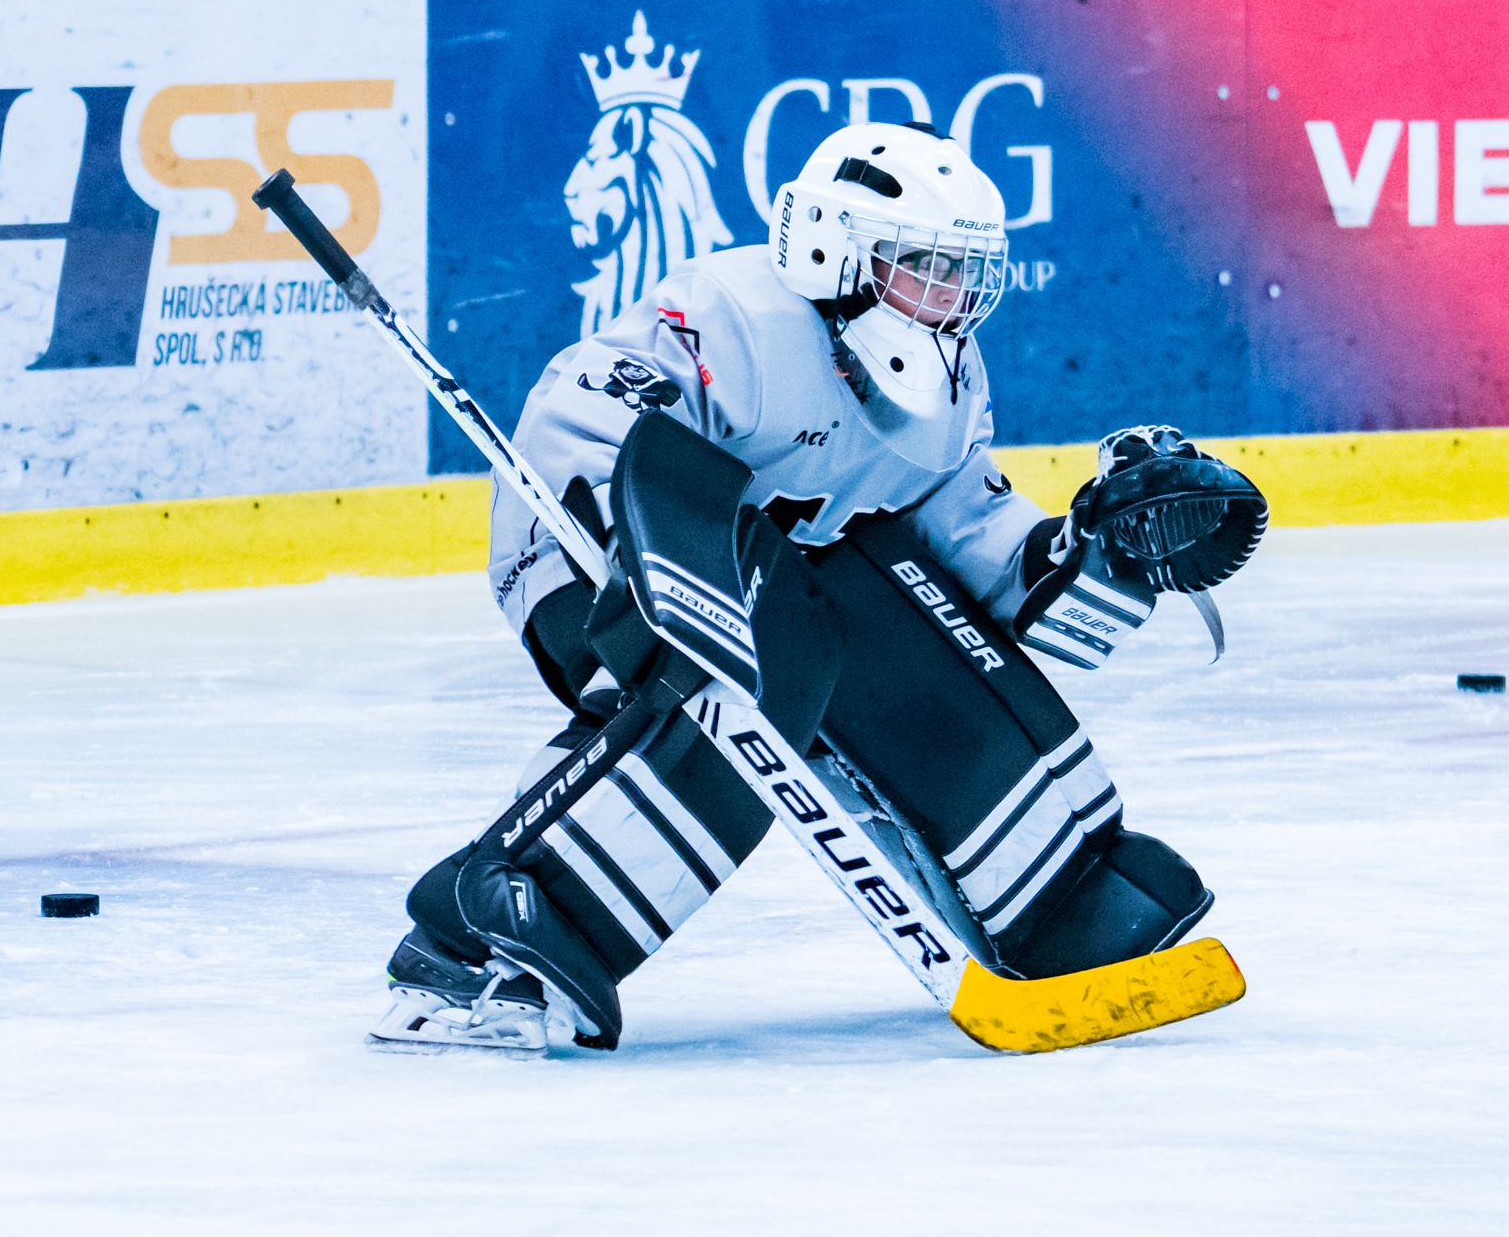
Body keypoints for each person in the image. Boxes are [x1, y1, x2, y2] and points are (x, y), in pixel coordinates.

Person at [370, 122, 1268, 1053]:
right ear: (840, 249)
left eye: (966, 272)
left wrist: (1086, 553)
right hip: (585, 550)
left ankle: (1057, 895)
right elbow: (579, 420)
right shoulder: (732, 315)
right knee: (766, 647)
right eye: (927, 265)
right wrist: (642, 561)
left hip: (784, 582)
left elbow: (967, 535)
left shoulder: (949, 382)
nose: (955, 297)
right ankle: (483, 933)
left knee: (913, 625)